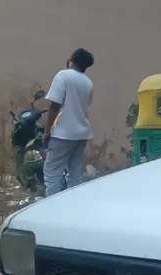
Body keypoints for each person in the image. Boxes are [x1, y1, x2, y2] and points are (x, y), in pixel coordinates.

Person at [43, 48, 94, 196]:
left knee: (52, 173)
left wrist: (47, 132)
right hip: (82, 134)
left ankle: (52, 209)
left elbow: (54, 106)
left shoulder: (63, 75)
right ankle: (73, 206)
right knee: (75, 174)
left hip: (63, 134)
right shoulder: (88, 82)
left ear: (71, 60)